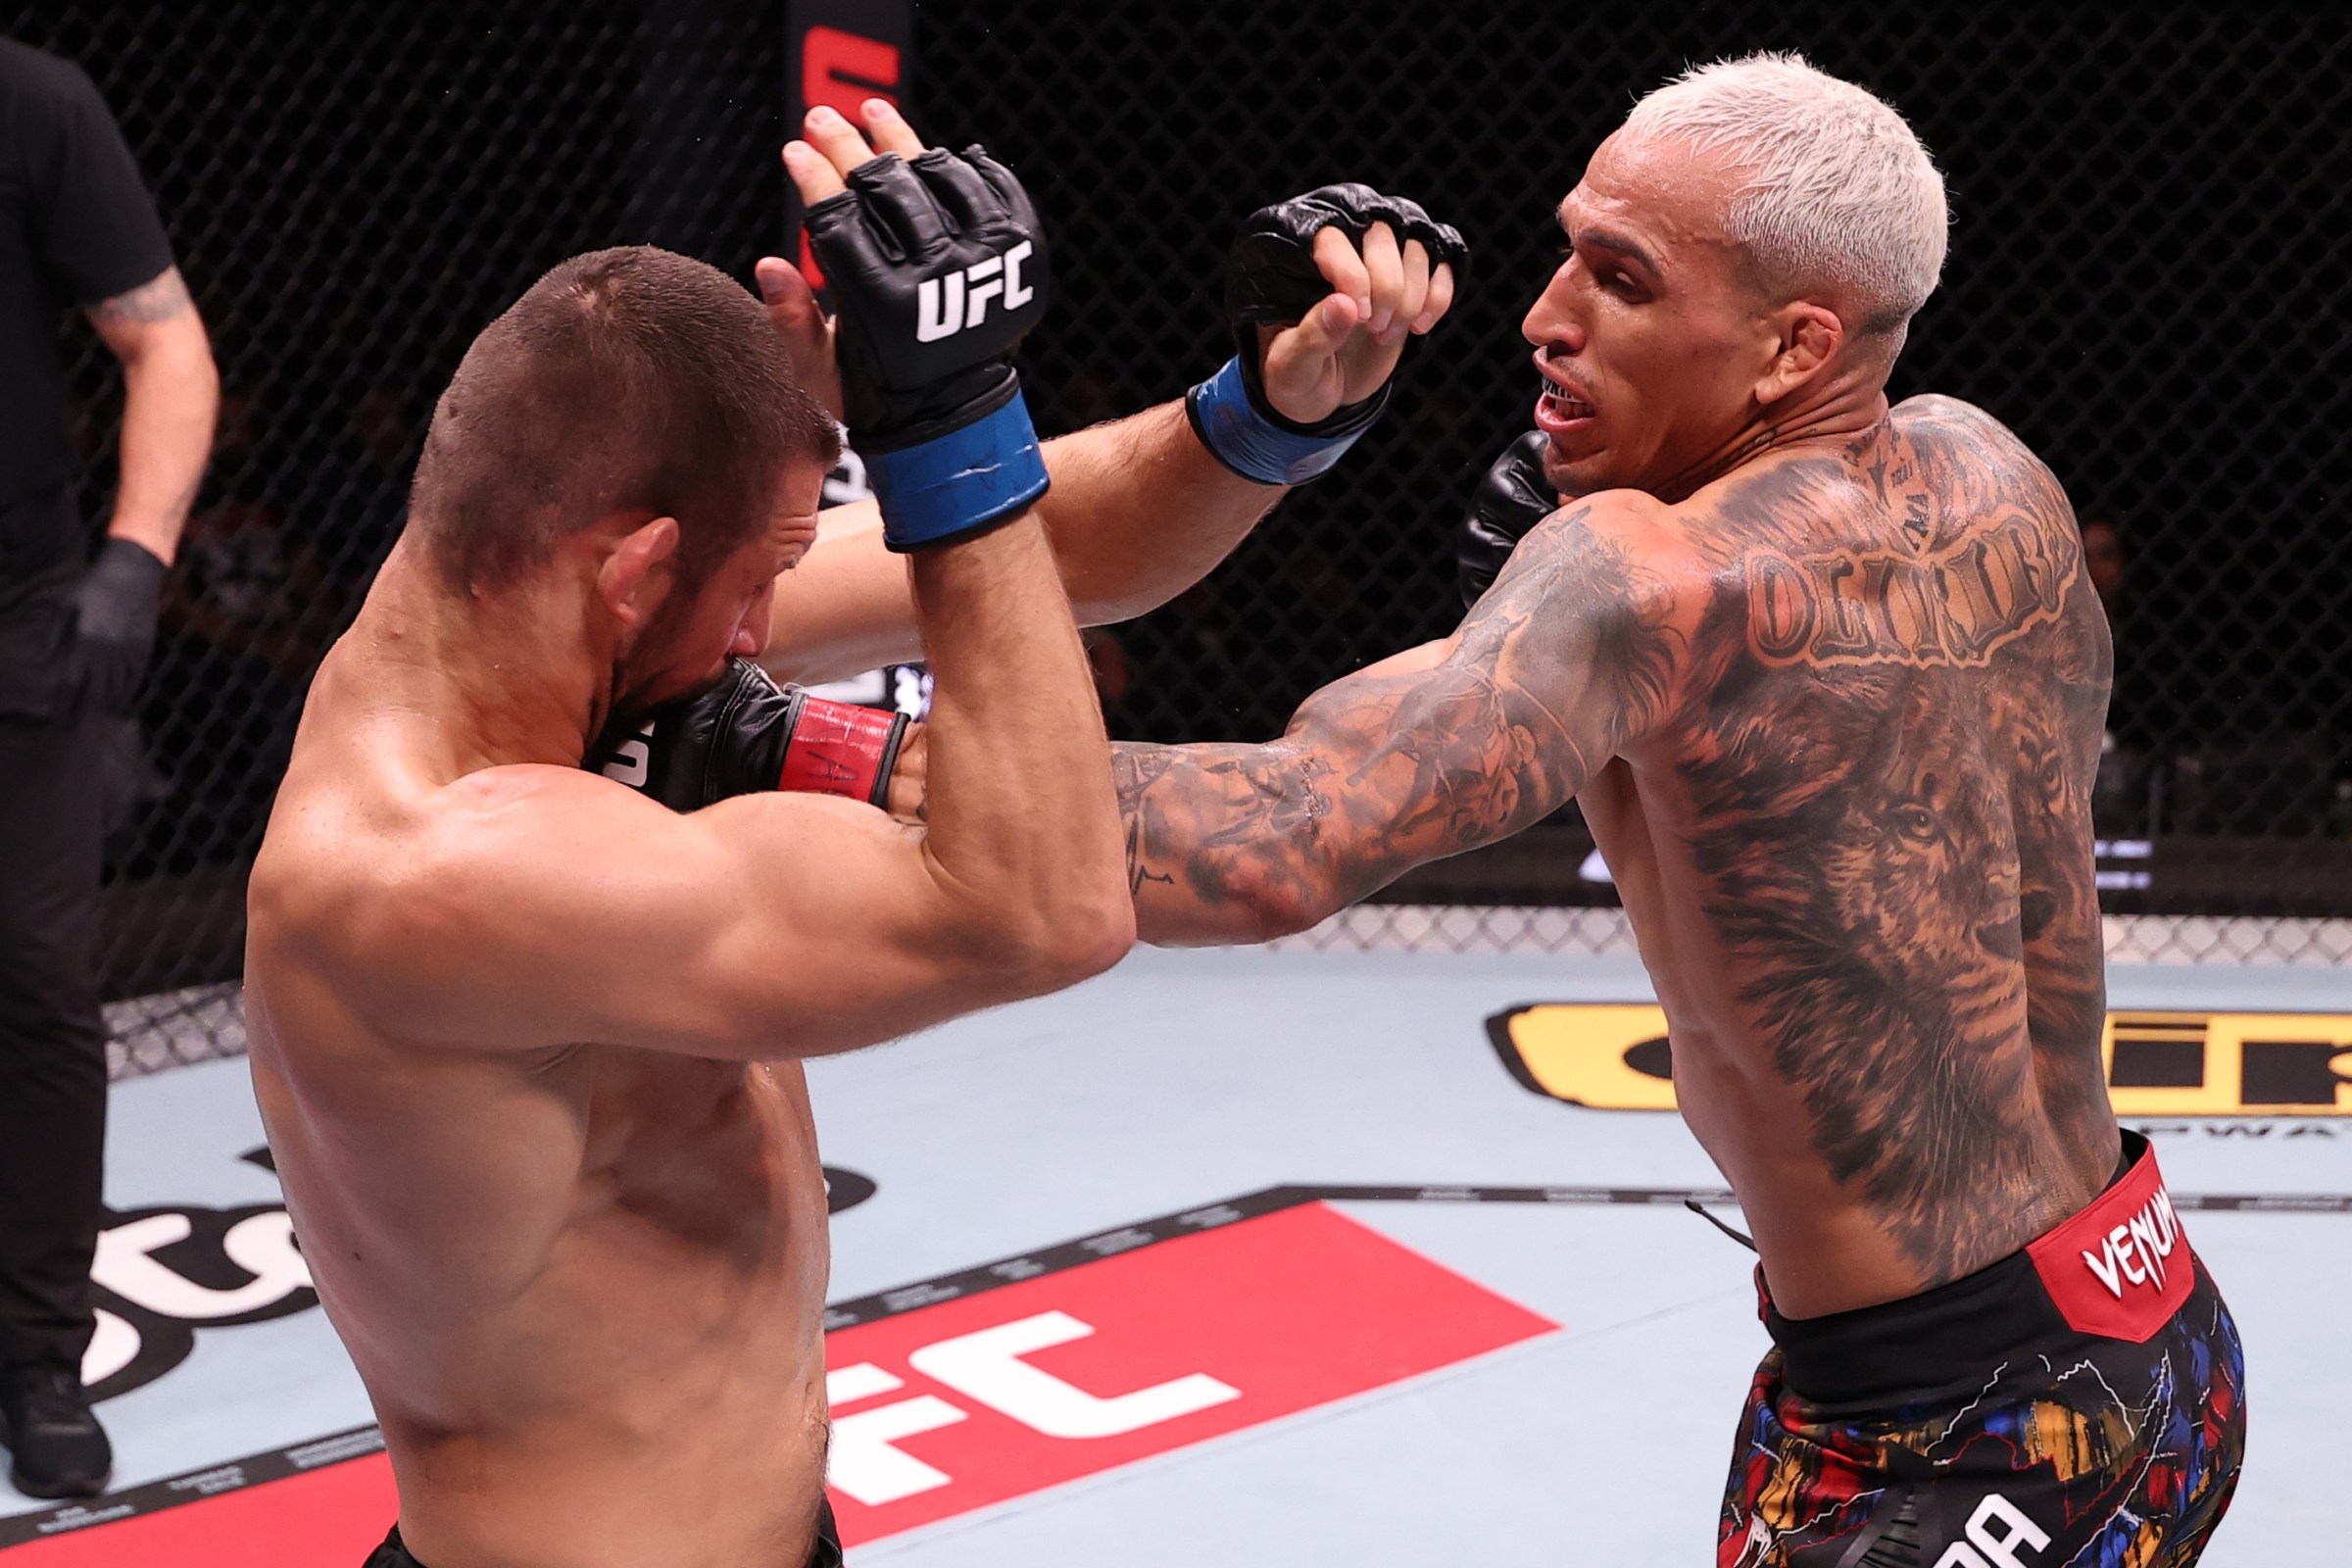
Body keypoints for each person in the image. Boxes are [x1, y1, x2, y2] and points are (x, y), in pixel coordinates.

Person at [874, 55, 2244, 1567]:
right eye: (1569, 247)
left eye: (1622, 279)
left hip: (1979, 1439)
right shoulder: (2000, 477)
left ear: (1794, 348)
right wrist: (1540, 653)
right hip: (2144, 1316)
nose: (1544, 314)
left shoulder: (1645, 578)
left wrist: (802, 746)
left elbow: (1281, 839)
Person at [246, 98, 1457, 1568]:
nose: (772, 635)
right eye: (759, 582)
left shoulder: (521, 596)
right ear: (634, 573)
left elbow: (1053, 540)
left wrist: (1268, 411)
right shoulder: (425, 868)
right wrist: (944, 425)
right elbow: (1047, 908)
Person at [0, 37, 218, 1499]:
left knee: (34, 982)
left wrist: (134, 565)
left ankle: (34, 1355)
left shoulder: (28, 104)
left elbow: (166, 342)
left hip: (16, 613)